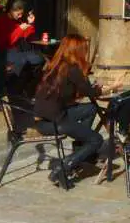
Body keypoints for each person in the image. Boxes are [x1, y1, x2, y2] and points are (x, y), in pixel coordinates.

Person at [33, 34, 104, 186]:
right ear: (77, 50)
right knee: (97, 139)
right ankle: (65, 165)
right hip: (55, 121)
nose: (85, 52)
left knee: (91, 109)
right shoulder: (72, 69)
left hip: (44, 118)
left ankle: (81, 148)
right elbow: (89, 92)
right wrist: (104, 89)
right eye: (84, 49)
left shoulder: (54, 65)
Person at [0, 0, 44, 78]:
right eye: (18, 14)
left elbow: (27, 36)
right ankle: (12, 78)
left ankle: (16, 79)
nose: (20, 16)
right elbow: (5, 42)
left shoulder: (17, 21)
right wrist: (20, 29)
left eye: (21, 14)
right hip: (4, 54)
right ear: (11, 10)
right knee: (24, 62)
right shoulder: (1, 21)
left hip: (15, 53)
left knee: (40, 57)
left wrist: (31, 23)